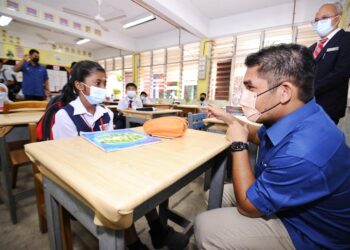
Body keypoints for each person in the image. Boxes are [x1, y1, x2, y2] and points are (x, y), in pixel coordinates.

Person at [194, 44, 350, 249]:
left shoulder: (303, 150)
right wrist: (229, 119)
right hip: (294, 205)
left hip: (310, 233)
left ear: (284, 92)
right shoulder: (301, 115)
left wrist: (239, 145)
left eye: (251, 88)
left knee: (207, 227)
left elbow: (248, 207)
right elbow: (257, 136)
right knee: (214, 195)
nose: (245, 96)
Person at [52, 61, 188, 250]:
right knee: (119, 194)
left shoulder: (106, 113)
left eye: (104, 83)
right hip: (82, 175)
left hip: (106, 167)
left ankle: (158, 232)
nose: (102, 88)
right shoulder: (65, 116)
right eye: (97, 83)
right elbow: (66, 161)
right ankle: (135, 245)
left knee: (141, 180)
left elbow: (111, 144)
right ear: (79, 85)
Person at [310, 2, 350, 124]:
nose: (319, 22)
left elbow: (341, 73)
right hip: (306, 106)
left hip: (328, 108)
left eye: (325, 18)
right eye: (316, 19)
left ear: (337, 18)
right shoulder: (310, 49)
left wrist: (308, 90)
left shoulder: (346, 39)